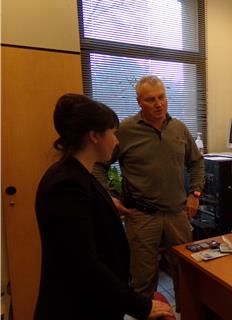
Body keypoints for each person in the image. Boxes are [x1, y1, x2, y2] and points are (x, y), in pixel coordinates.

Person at [35, 94, 172, 319]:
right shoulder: (66, 185)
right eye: (113, 133)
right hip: (78, 308)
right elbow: (84, 264)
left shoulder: (79, 175)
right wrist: (142, 306)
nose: (117, 141)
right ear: (94, 136)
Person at [94, 75, 205, 310]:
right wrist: (109, 197)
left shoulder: (179, 128)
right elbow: (98, 165)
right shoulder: (124, 130)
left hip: (177, 214)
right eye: (151, 99)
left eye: (162, 97)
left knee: (185, 273)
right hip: (142, 217)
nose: (159, 104)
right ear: (139, 102)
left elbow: (196, 162)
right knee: (143, 280)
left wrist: (195, 194)